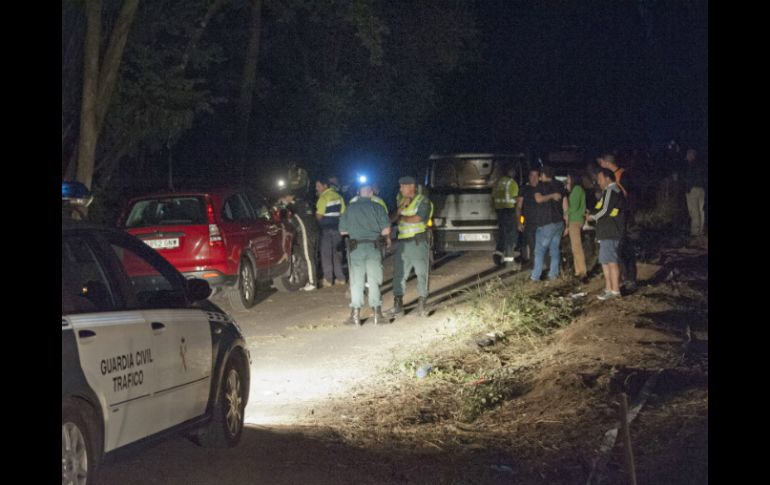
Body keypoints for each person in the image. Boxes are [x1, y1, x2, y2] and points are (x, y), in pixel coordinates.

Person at [338, 182, 392, 326]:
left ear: (358, 193)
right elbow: (386, 230)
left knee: (357, 281)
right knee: (374, 280)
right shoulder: (378, 207)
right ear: (371, 193)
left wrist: (356, 230)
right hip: (374, 247)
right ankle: (377, 315)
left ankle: (355, 315)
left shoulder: (349, 208)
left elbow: (343, 231)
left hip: (356, 248)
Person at [386, 176, 432, 318]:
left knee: (422, 273)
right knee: (399, 274)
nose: (400, 189)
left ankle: (422, 305)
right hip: (403, 244)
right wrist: (400, 209)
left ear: (411, 186)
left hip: (418, 242)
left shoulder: (423, 201)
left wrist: (401, 218)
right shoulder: (402, 201)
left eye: (403, 186)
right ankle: (398, 306)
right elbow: (390, 220)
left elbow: (418, 219)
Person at [597, 152, 637, 292]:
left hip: (625, 217)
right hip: (617, 219)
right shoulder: (615, 179)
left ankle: (630, 280)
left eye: (602, 163)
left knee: (626, 249)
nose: (601, 166)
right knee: (617, 251)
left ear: (607, 163)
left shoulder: (623, 175)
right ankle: (620, 280)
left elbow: (626, 195)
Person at [587, 168, 626, 300]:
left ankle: (615, 291)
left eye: (600, 179)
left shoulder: (611, 190)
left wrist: (592, 217)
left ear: (608, 178)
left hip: (611, 231)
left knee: (611, 261)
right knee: (606, 261)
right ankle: (609, 289)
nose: (598, 182)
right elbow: (600, 207)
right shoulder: (609, 191)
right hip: (607, 231)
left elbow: (604, 210)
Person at [276, 192, 318, 291]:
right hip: (311, 231)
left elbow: (289, 213)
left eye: (283, 200)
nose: (283, 203)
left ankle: (313, 283)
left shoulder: (295, 205)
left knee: (308, 257)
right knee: (308, 257)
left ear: (288, 196)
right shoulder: (301, 203)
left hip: (306, 232)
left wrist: (283, 205)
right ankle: (310, 281)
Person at [530, 166, 565, 281]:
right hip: (559, 223)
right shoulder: (559, 185)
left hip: (546, 223)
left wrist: (551, 196)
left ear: (543, 175)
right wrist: (567, 221)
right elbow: (565, 203)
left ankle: (535, 276)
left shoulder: (540, 186)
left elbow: (538, 199)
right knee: (554, 249)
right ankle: (553, 274)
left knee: (539, 251)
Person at [315, 177, 346, 287]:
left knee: (326, 255)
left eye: (318, 186)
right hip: (337, 229)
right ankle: (341, 278)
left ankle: (328, 280)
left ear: (325, 186)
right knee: (337, 255)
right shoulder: (339, 196)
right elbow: (343, 213)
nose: (316, 188)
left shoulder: (323, 198)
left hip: (326, 230)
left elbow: (319, 216)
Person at [493, 162, 519, 266]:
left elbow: (493, 197)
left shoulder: (497, 183)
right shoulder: (512, 183)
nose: (514, 173)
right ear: (510, 171)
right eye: (513, 171)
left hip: (500, 212)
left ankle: (497, 255)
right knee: (511, 236)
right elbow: (516, 199)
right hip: (510, 211)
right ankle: (509, 260)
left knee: (502, 235)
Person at [563, 171, 588, 281]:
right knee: (575, 247)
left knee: (577, 247)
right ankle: (578, 271)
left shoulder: (577, 189)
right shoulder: (577, 189)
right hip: (577, 219)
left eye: (568, 178)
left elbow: (574, 206)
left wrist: (565, 212)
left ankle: (582, 271)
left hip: (575, 220)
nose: (567, 180)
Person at [515, 168, 540, 266]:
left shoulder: (542, 188)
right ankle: (535, 268)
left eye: (536, 176)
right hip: (529, 223)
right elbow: (518, 207)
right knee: (533, 246)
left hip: (542, 223)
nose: (534, 178)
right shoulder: (524, 189)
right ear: (529, 177)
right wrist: (519, 222)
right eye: (532, 176)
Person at [683, 148, 706, 238]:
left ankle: (695, 232)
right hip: (702, 189)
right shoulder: (701, 164)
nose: (687, 157)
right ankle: (700, 231)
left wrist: (688, 189)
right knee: (700, 211)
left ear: (691, 155)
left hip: (693, 189)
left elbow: (689, 178)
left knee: (694, 211)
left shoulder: (691, 165)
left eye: (688, 155)